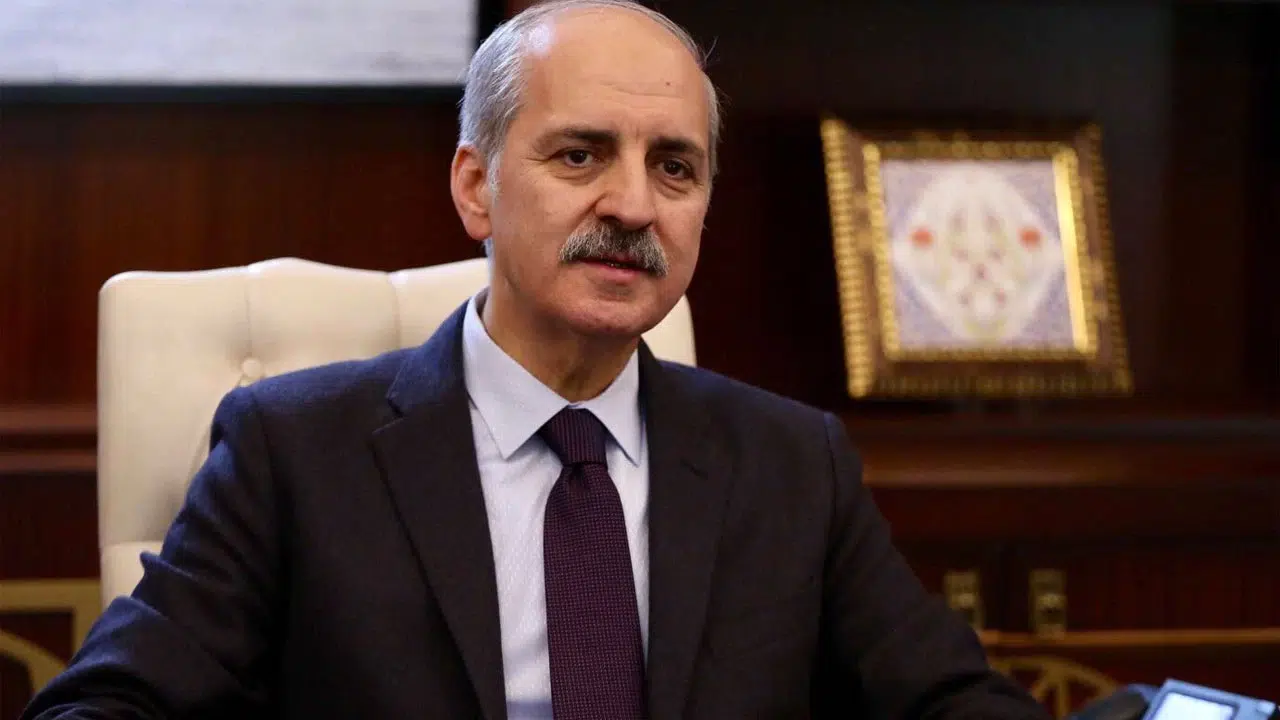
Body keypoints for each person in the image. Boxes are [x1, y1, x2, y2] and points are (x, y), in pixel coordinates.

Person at [23, 1, 1050, 718]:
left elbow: (948, 701)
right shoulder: (291, 450)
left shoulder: (789, 463)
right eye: (580, 154)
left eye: (674, 167)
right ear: (476, 188)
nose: (632, 205)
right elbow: (115, 701)